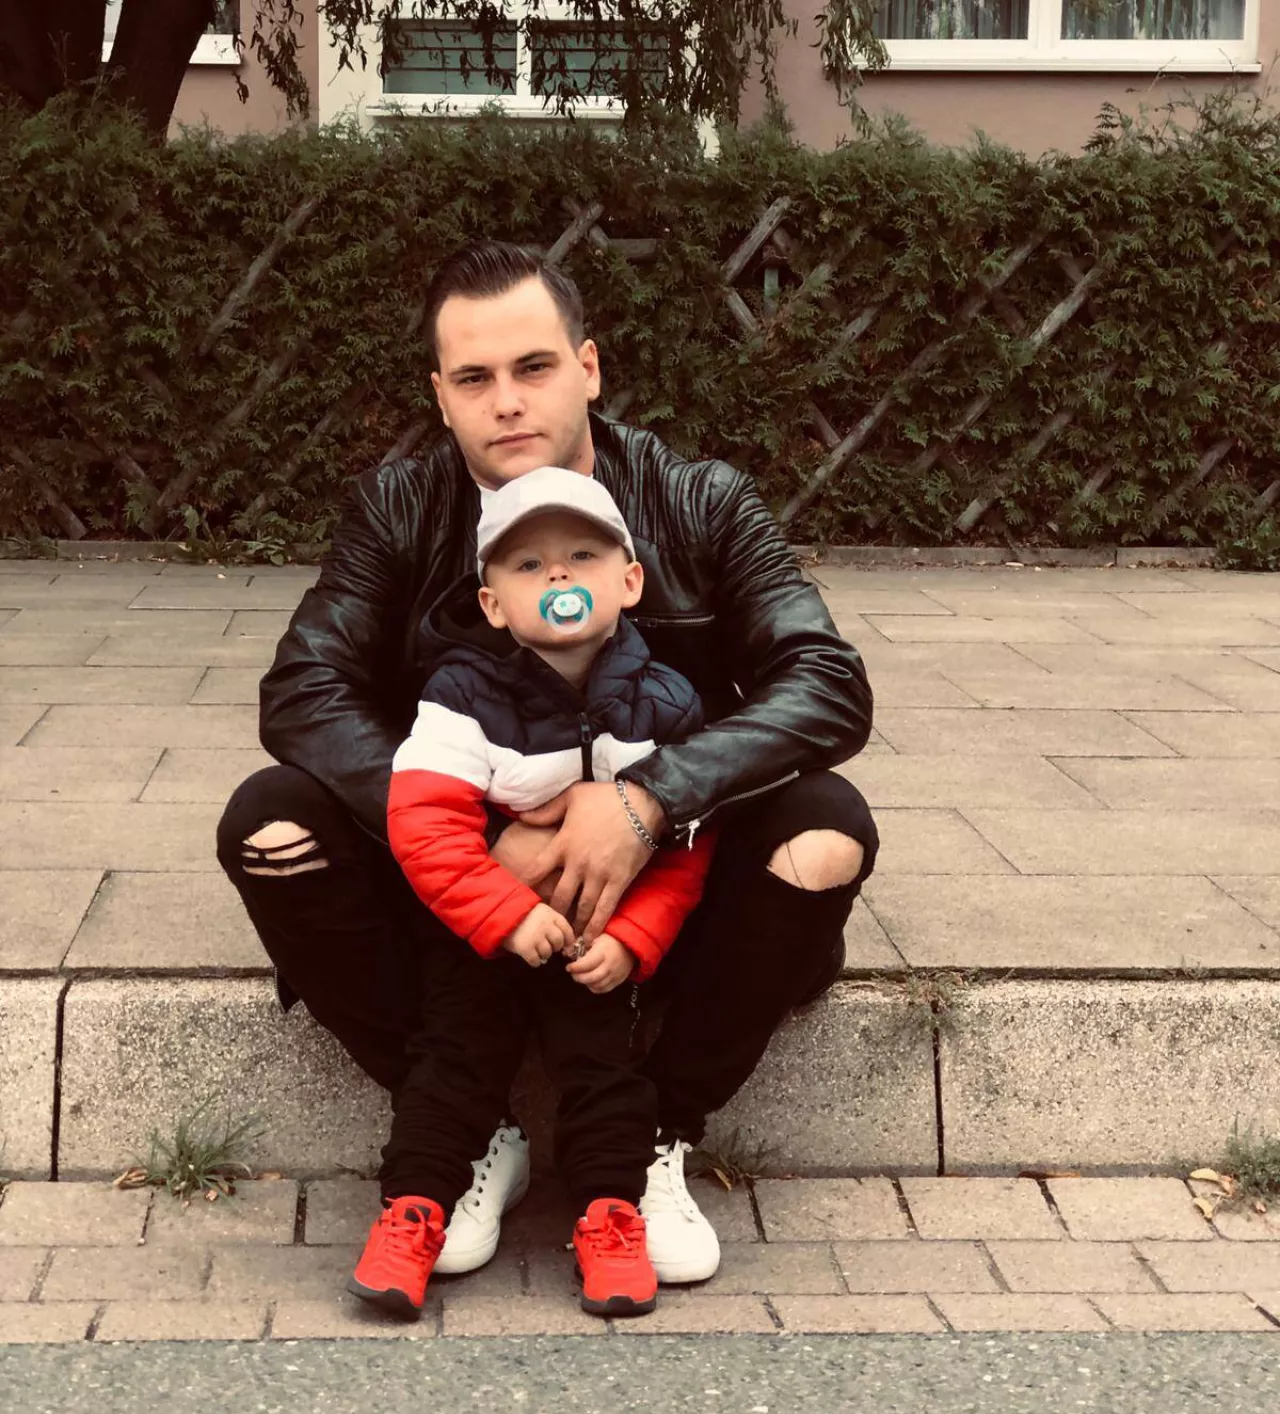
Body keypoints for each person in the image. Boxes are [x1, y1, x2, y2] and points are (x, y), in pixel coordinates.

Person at [216, 238, 878, 1291]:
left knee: (826, 829)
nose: (507, 402)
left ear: (588, 367)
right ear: (441, 397)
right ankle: (471, 1127)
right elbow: (303, 689)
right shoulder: (399, 508)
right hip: (453, 894)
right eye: (473, 377)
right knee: (270, 822)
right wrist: (476, 841)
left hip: (662, 881)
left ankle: (654, 1135)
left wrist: (648, 801)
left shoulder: (699, 500)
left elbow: (826, 680)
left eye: (533, 367)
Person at [350, 466, 715, 1318]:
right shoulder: (462, 696)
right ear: (492, 604)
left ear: (630, 581)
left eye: (582, 555)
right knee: (451, 1062)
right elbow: (423, 822)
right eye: (527, 564)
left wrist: (633, 938)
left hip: (595, 936)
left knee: (607, 1070)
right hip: (482, 930)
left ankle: (611, 1216)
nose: (557, 574)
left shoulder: (668, 705)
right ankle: (413, 1212)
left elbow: (687, 848)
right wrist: (505, 914)